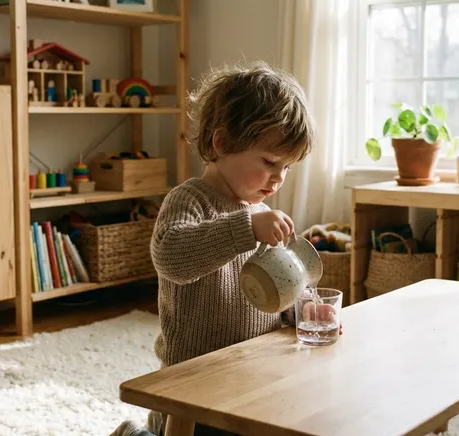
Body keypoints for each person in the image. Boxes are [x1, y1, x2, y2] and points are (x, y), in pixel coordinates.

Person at [111, 61, 319, 436]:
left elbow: (285, 278)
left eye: (287, 167)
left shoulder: (261, 212)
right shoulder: (189, 200)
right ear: (222, 143)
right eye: (270, 162)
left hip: (249, 373)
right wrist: (246, 227)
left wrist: (306, 308)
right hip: (191, 382)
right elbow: (172, 256)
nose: (278, 178)